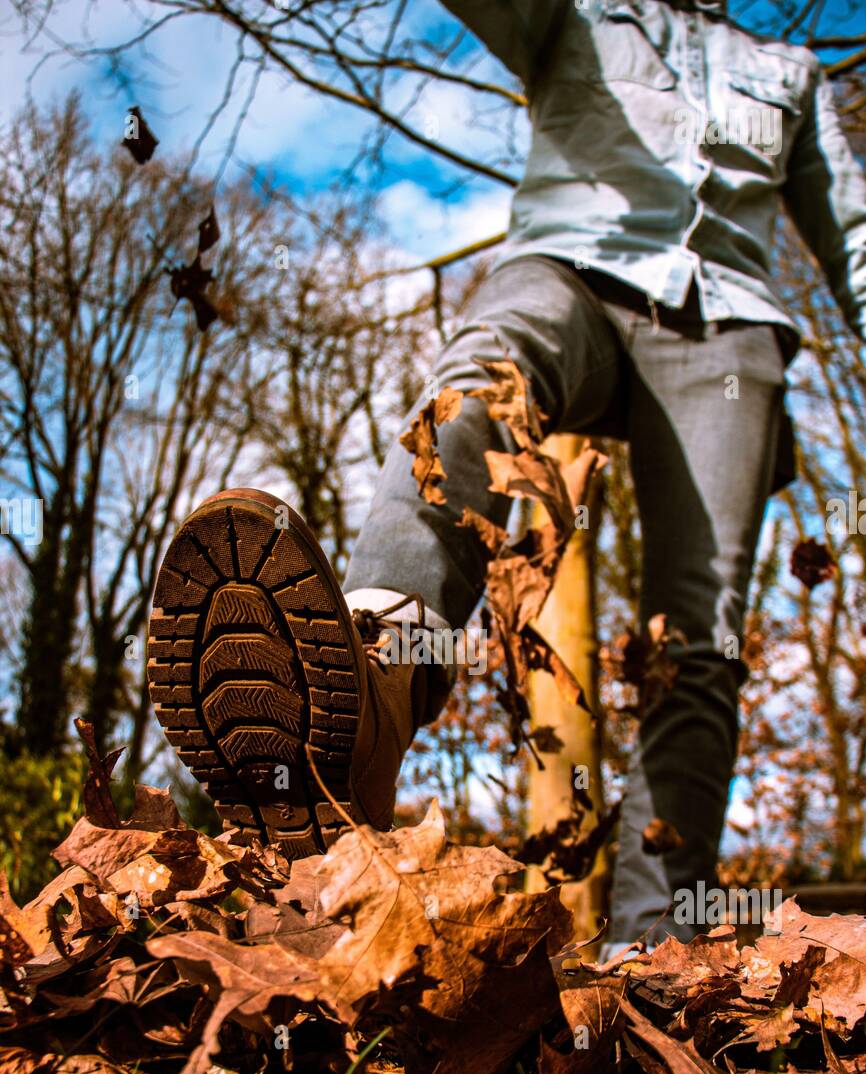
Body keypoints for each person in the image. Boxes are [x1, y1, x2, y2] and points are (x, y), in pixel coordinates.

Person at [147, 0, 866, 953]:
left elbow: (854, 235)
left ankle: (656, 955)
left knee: (700, 629)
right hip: (567, 267)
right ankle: (366, 693)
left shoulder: (793, 73)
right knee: (473, 393)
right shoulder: (584, 15)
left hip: (726, 328)